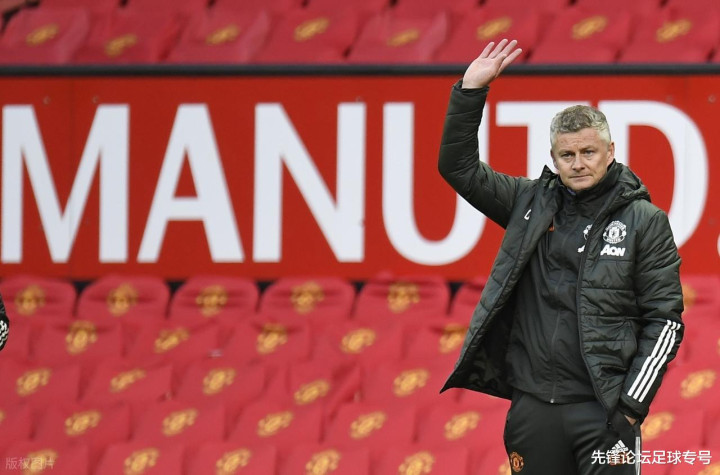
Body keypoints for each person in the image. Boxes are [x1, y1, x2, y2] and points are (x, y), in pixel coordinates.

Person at [438, 39, 684, 474]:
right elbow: (458, 168)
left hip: (603, 411)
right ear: (553, 158)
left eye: (589, 152)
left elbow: (665, 321)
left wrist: (630, 407)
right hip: (534, 411)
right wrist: (470, 92)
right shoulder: (528, 203)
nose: (578, 163)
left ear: (610, 152)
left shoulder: (645, 221)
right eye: (567, 155)